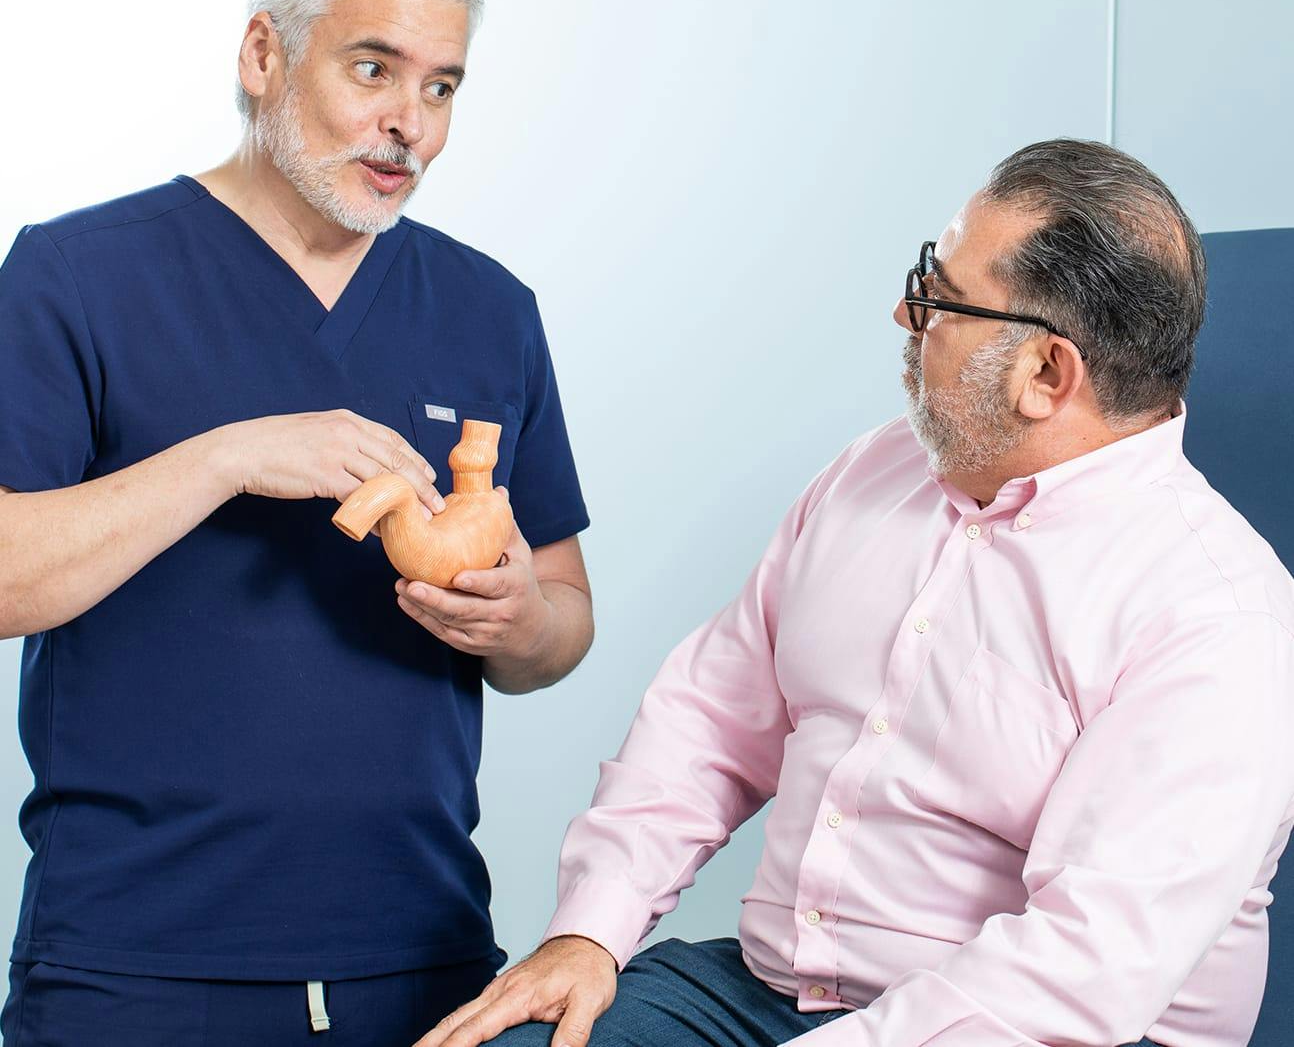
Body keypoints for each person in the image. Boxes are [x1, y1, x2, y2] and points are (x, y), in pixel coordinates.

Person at [419, 140, 1294, 1047]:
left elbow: (1080, 970)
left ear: (1046, 375)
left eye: (939, 297)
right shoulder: (875, 472)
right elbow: (711, 721)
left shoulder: (1219, 618)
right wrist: (586, 932)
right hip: (772, 998)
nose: (904, 313)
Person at [0, 0, 593, 1046]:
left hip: (422, 962)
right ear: (264, 53)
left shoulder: (488, 311)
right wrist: (230, 458)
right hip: (134, 967)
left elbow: (564, 619)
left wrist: (518, 622)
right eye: (374, 68)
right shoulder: (76, 276)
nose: (406, 125)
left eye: (441, 87)